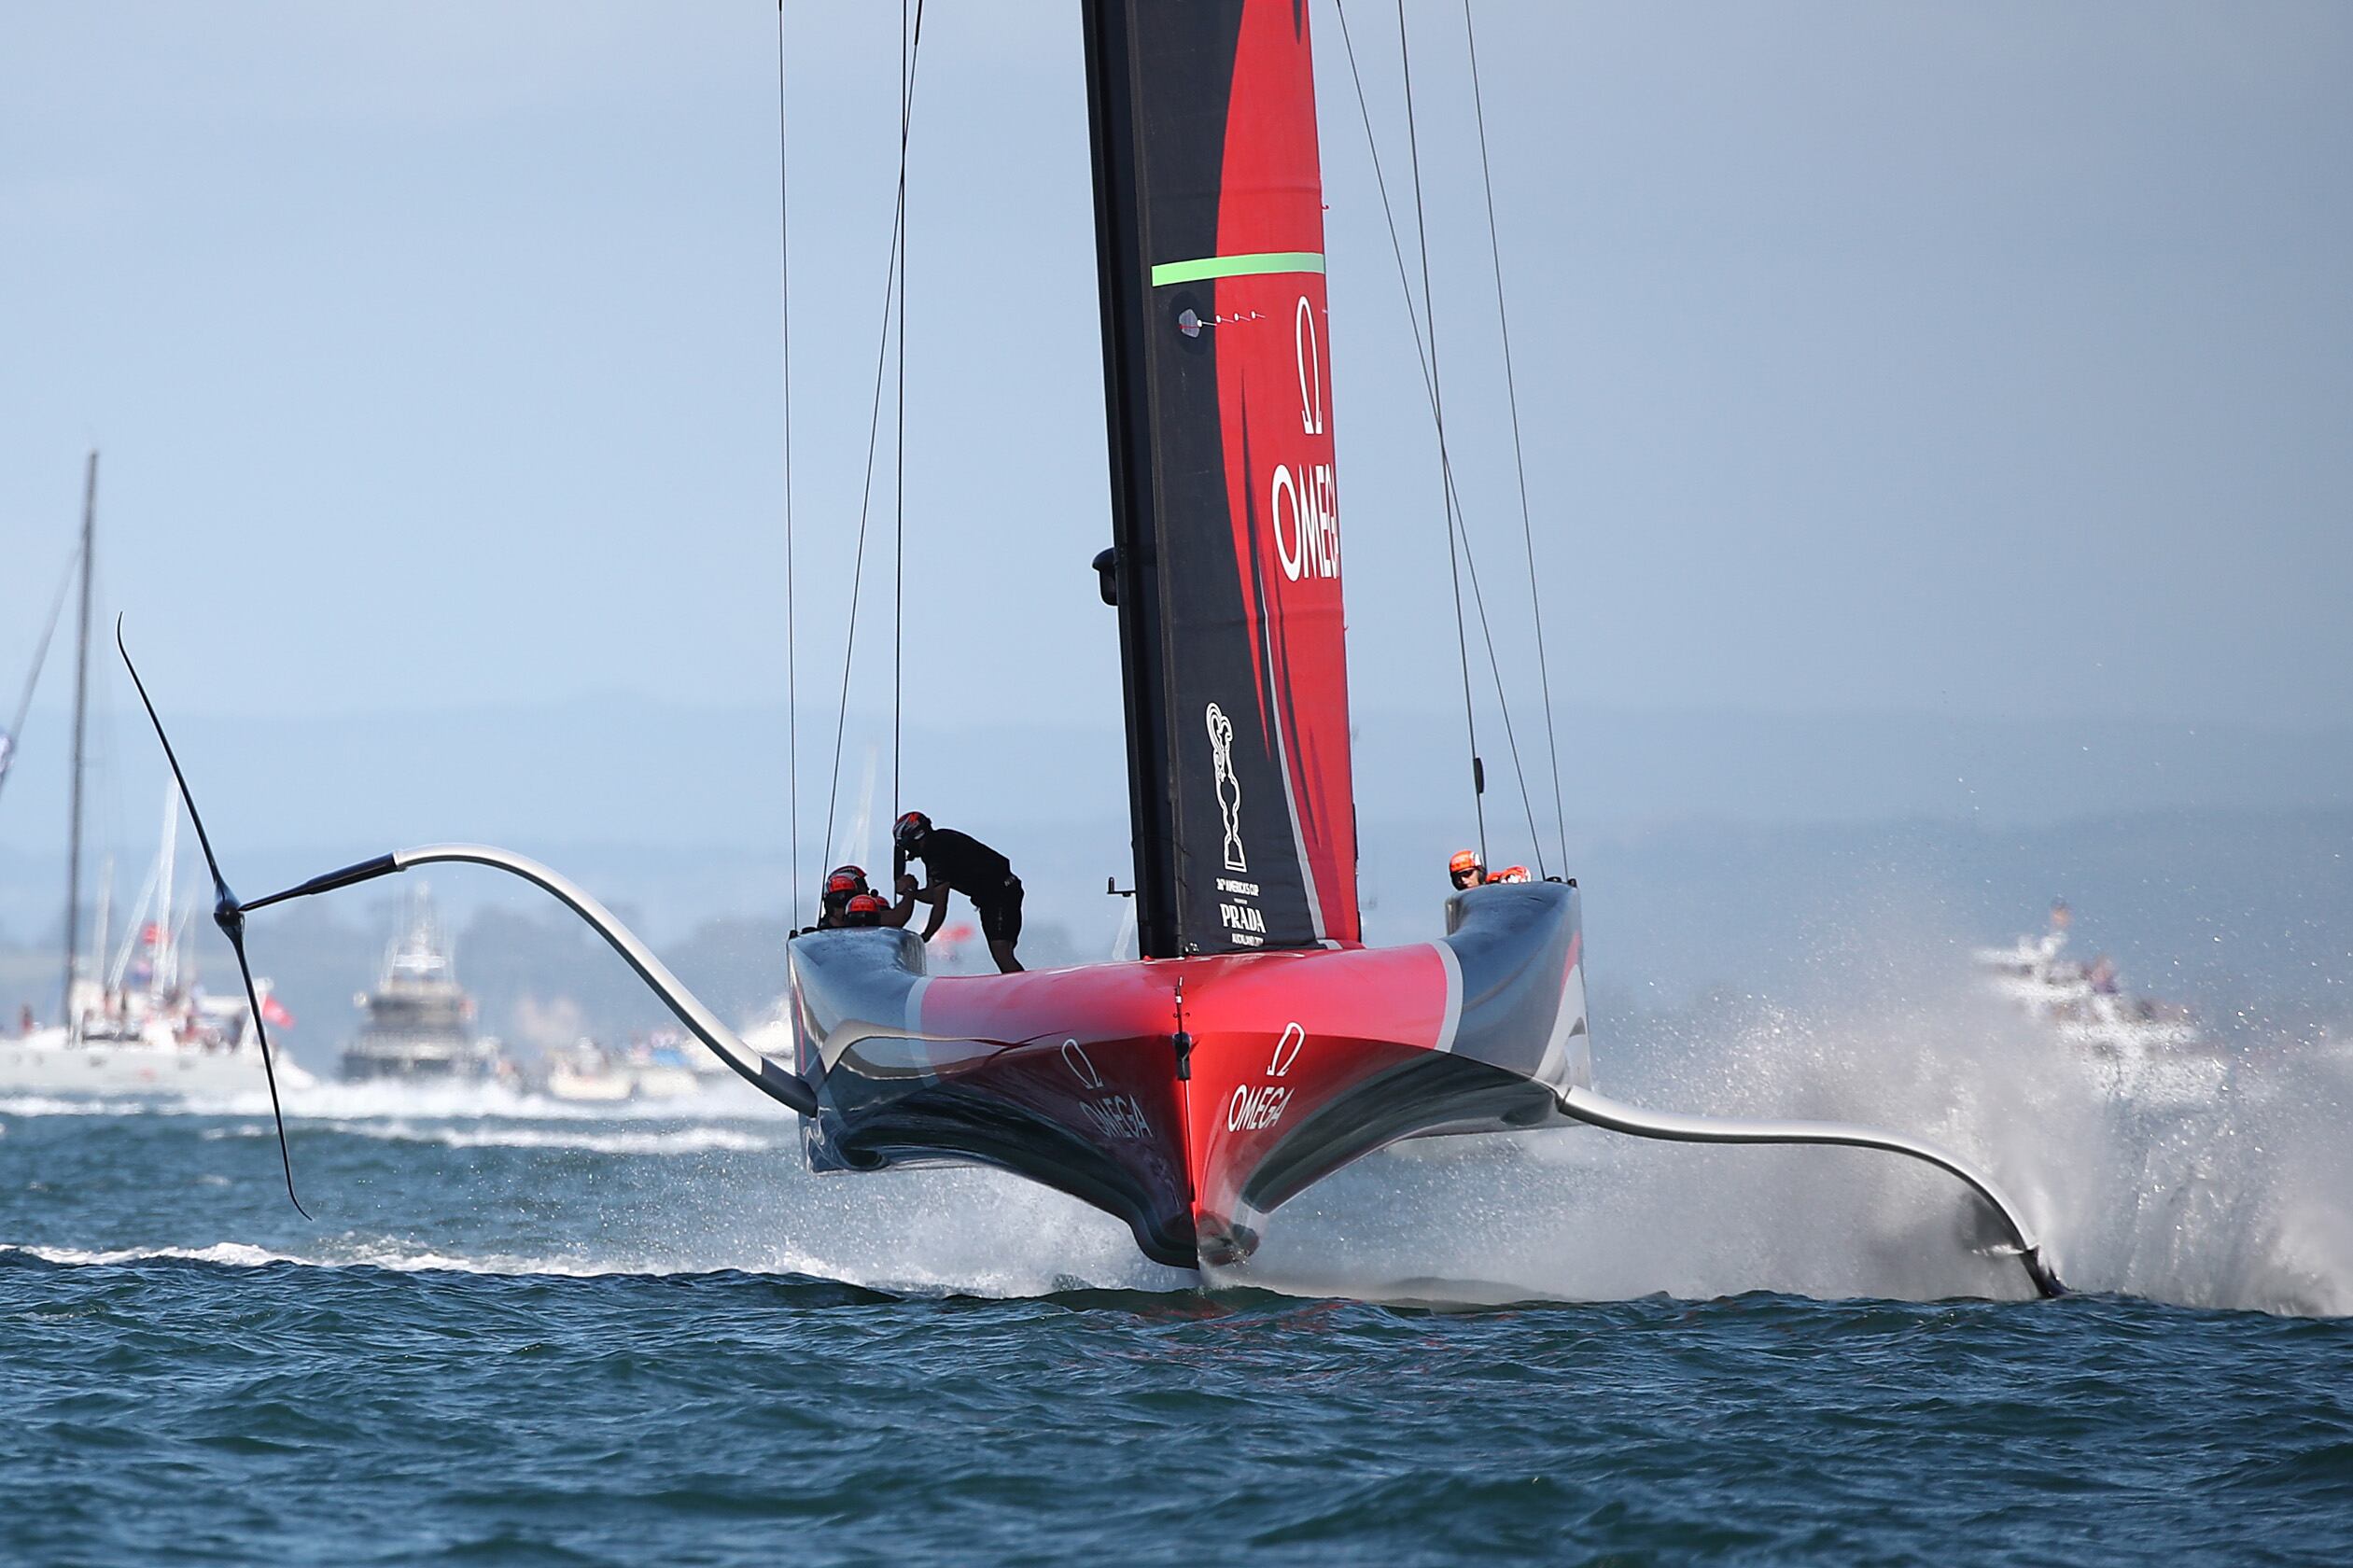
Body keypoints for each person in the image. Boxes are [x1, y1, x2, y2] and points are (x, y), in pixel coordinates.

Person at [892, 810, 1025, 973]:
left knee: (1001, 952)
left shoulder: (936, 850)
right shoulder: (936, 844)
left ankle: (1025, 994)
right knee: (1003, 952)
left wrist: (925, 937)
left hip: (1000, 894)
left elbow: (940, 905)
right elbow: (933, 895)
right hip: (998, 894)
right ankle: (1018, 987)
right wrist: (910, 890)